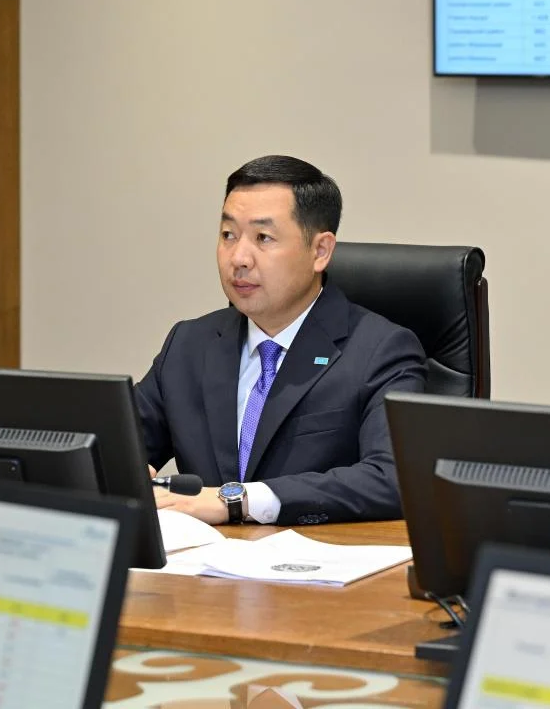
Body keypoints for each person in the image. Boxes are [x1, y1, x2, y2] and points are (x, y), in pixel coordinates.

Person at [135, 155, 426, 525]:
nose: (239, 258)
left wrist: (238, 501)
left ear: (320, 251)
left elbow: (393, 479)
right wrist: (118, 470)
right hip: (202, 556)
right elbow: (114, 445)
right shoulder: (189, 344)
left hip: (316, 556)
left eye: (263, 238)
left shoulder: (381, 351)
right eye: (228, 235)